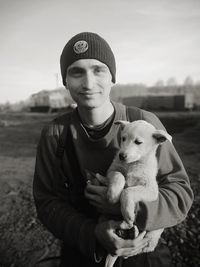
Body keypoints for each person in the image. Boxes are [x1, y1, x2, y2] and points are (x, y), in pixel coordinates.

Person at [33, 32, 193, 267]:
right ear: (65, 80)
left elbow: (181, 194)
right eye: (76, 71)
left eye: (98, 70)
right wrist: (92, 234)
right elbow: (46, 202)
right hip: (83, 251)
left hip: (143, 255)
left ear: (112, 77)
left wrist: (132, 210)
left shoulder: (144, 122)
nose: (88, 83)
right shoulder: (54, 134)